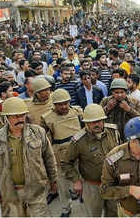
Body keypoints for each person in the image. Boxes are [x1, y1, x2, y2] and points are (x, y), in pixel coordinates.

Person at [0, 97, 58, 216]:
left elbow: (49, 159)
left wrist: (54, 181)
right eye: (15, 116)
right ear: (6, 117)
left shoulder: (38, 133)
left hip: (36, 193)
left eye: (22, 115)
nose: (20, 119)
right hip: (10, 194)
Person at [60, 104, 121, 217]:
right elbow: (66, 163)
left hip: (113, 184)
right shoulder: (78, 141)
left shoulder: (113, 132)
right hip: (92, 186)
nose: (96, 124)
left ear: (103, 120)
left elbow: (121, 153)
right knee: (93, 214)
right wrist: (76, 180)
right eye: (92, 122)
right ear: (86, 123)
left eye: (99, 121)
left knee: (114, 214)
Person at [40, 88, 83, 216]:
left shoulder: (77, 112)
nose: (64, 106)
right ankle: (66, 208)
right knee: (63, 186)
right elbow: (44, 140)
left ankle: (78, 196)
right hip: (60, 157)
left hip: (78, 153)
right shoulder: (47, 118)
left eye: (66, 103)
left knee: (80, 180)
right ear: (54, 105)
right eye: (60, 104)